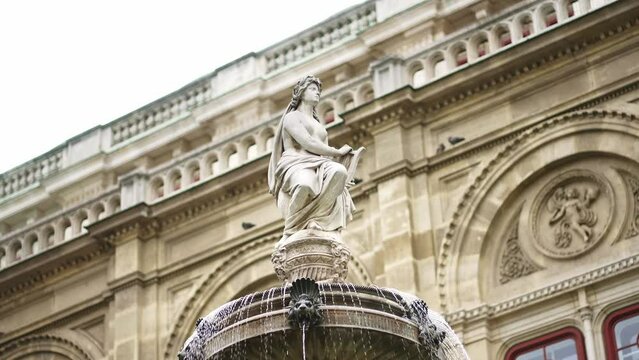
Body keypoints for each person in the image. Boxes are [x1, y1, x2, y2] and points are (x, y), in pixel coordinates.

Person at [268, 75, 362, 237]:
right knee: (306, 184)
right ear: (301, 93)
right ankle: (293, 226)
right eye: (312, 89)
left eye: (318, 90)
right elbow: (308, 142)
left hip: (319, 163)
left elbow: (323, 154)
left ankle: (317, 219)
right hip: (296, 163)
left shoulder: (318, 124)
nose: (317, 93)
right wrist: (336, 151)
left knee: (339, 172)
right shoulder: (292, 118)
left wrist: (343, 161)